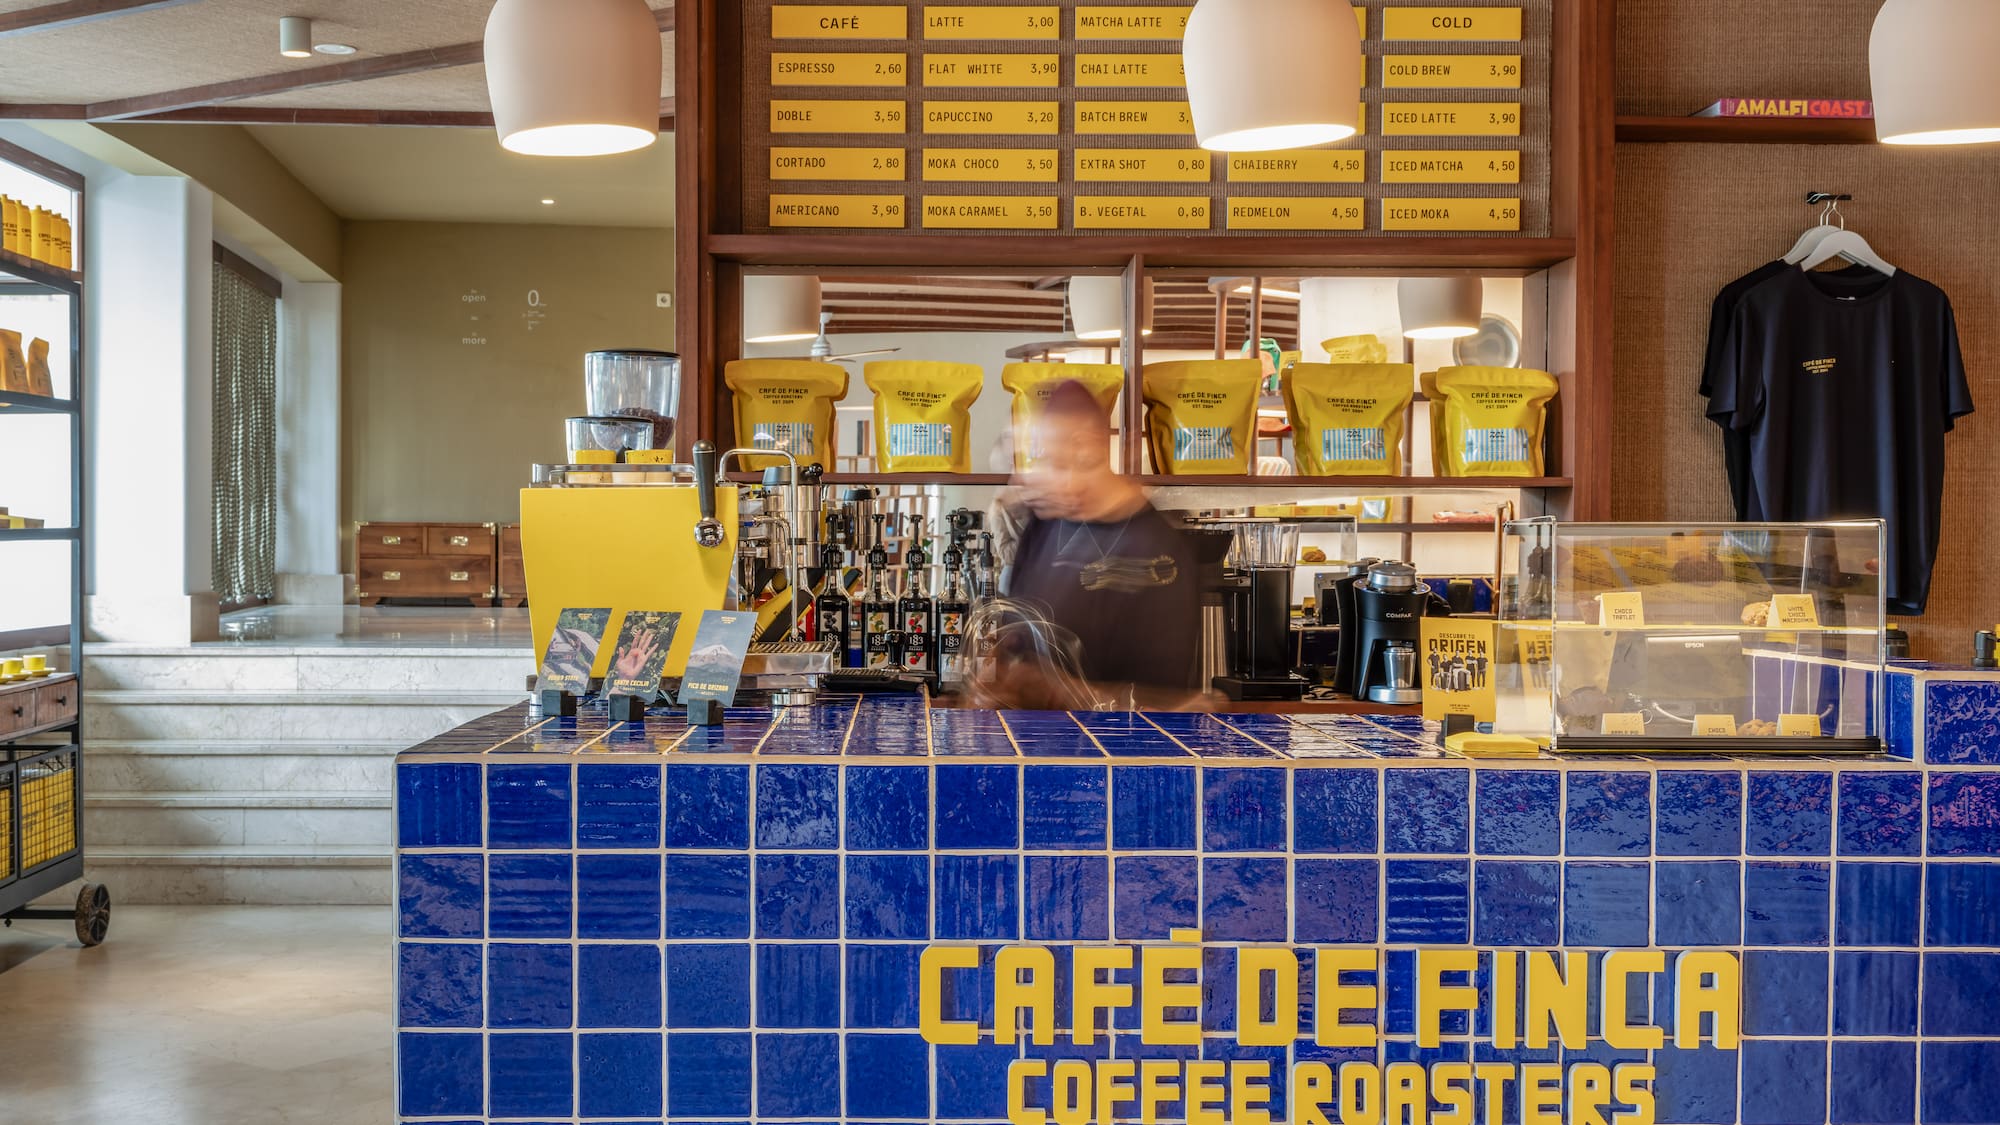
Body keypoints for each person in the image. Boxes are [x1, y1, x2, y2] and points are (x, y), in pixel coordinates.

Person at [973, 380, 1202, 709]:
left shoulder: (1158, 553)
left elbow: (1166, 707)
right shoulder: (1044, 525)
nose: (1030, 478)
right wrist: (996, 677)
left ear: (1085, 447)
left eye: (1046, 458)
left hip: (1113, 758)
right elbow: (1020, 640)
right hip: (1040, 753)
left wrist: (1053, 691)